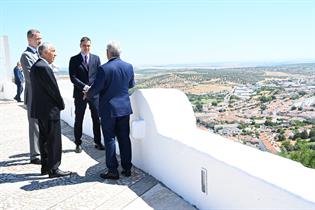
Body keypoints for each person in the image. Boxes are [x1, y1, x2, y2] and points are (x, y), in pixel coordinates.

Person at [85, 41, 135, 180]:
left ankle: (113, 170)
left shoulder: (104, 68)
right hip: (124, 108)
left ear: (108, 53)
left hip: (109, 110)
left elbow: (95, 89)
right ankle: (127, 168)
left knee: (109, 139)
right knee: (125, 138)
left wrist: (87, 94)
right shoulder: (128, 66)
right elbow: (131, 85)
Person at [30, 42, 72, 178]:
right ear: (45, 52)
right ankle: (54, 168)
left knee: (44, 140)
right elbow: (53, 89)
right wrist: (61, 105)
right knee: (53, 141)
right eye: (53, 51)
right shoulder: (44, 67)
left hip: (40, 110)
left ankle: (46, 166)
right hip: (50, 110)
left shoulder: (36, 66)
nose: (55, 54)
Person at [69, 37, 104, 153]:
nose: (86, 48)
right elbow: (73, 77)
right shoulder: (74, 59)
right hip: (80, 94)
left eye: (88, 45)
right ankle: (78, 143)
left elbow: (99, 76)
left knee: (96, 119)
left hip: (94, 95)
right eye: (84, 45)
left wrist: (92, 89)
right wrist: (85, 88)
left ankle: (97, 142)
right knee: (79, 118)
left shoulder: (96, 58)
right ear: (80, 45)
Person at [20, 29, 42, 164]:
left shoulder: (39, 54)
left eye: (40, 38)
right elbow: (30, 77)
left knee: (41, 124)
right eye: (37, 38)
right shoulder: (26, 55)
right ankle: (35, 155)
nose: (40, 40)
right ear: (30, 39)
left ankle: (42, 151)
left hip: (41, 95)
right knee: (34, 125)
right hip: (33, 95)